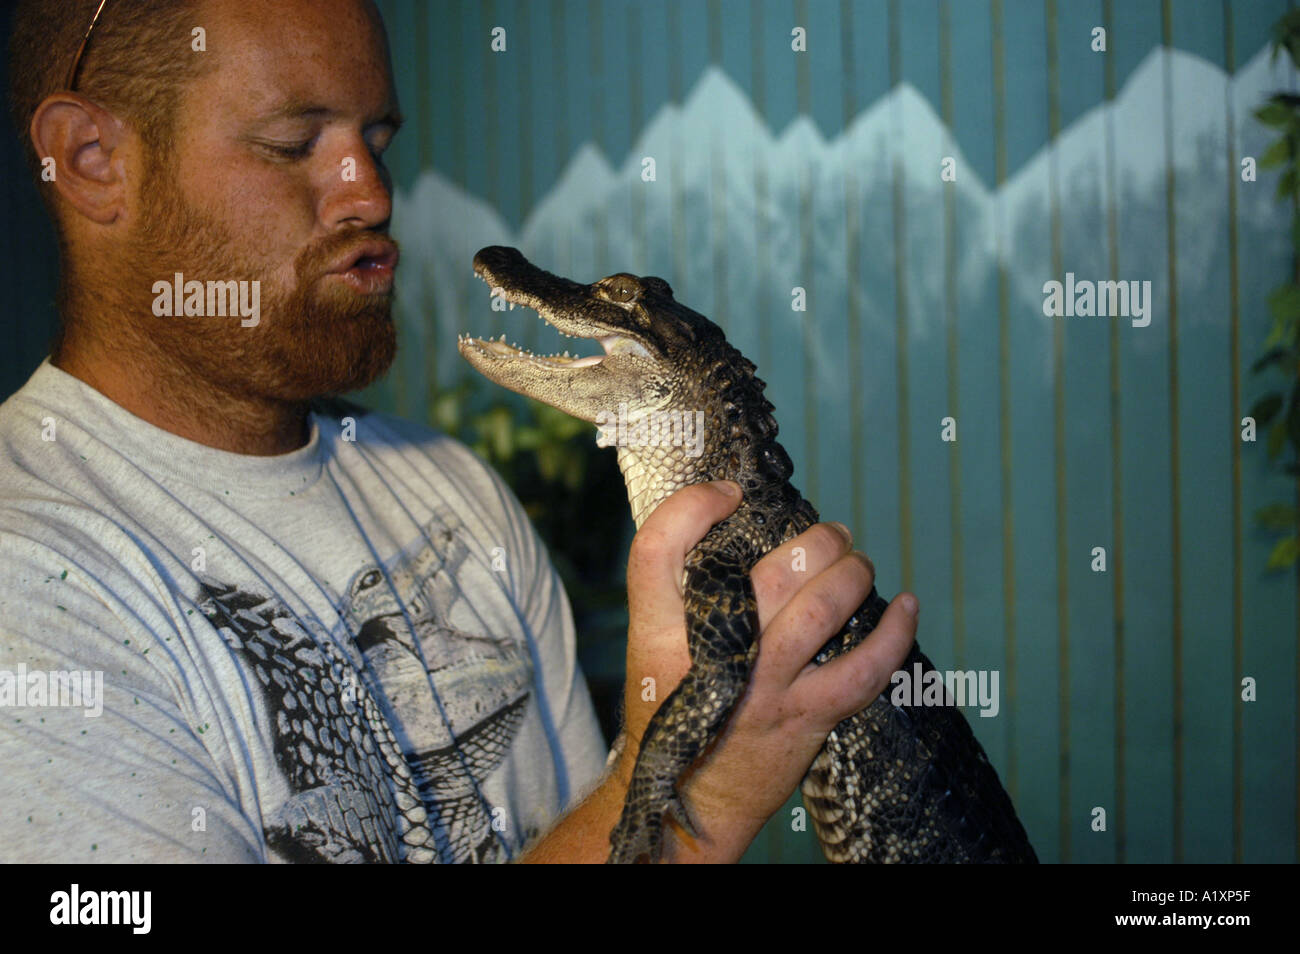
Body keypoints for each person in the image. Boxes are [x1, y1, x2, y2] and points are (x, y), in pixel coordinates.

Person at [0, 0, 919, 863]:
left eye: (377, 139)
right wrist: (701, 798)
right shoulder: (29, 589)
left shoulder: (457, 488)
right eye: (292, 143)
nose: (370, 193)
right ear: (89, 158)